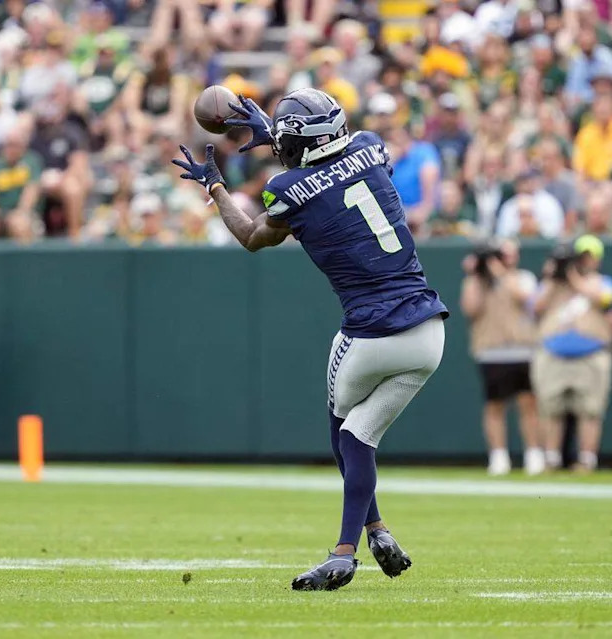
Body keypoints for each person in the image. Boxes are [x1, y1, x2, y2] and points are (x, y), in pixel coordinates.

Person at [173, 89, 448, 591]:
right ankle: (376, 532)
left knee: (345, 435)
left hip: (370, 334)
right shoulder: (372, 145)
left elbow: (253, 236)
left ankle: (346, 551)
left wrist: (215, 186)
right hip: (429, 334)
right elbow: (332, 165)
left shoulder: (287, 188)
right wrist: (275, 133)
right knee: (360, 435)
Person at [533, 235, 612, 473]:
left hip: (591, 354)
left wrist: (573, 276)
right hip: (553, 353)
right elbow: (536, 307)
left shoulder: (602, 282)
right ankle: (551, 459)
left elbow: (604, 299)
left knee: (590, 411)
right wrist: (552, 276)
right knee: (551, 409)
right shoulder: (552, 285)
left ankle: (587, 460)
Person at [460, 239, 543, 476]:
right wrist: (476, 276)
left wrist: (500, 274)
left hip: (523, 349)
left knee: (528, 403)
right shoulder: (476, 281)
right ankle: (498, 456)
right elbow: (470, 308)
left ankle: (533, 454)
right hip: (491, 351)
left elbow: (527, 300)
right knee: (494, 405)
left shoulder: (523, 277)